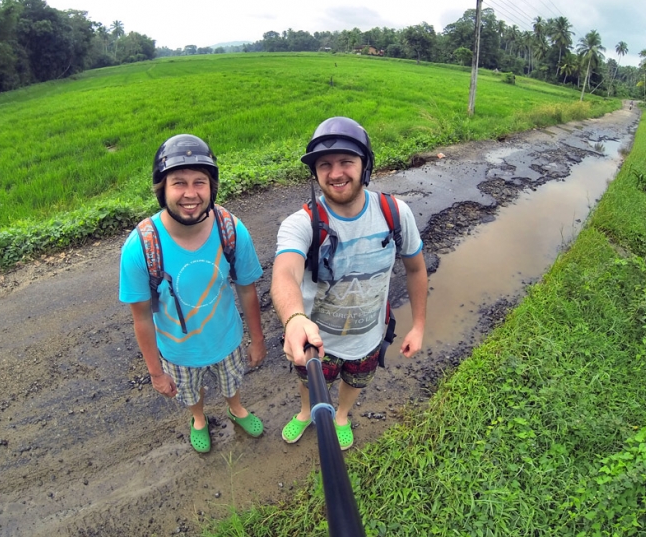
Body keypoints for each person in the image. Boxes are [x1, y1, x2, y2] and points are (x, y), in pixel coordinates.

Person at [271, 116, 428, 450]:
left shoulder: (395, 213)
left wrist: (418, 326)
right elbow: (285, 273)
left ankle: (341, 414)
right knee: (309, 382)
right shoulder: (302, 223)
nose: (336, 173)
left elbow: (415, 269)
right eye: (324, 165)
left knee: (356, 380)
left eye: (346, 161)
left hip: (370, 337)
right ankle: (305, 412)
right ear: (314, 173)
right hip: (317, 342)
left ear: (365, 165)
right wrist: (295, 318)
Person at [119, 134, 266, 453]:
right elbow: (141, 317)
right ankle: (198, 419)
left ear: (212, 187)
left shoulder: (231, 229)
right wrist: (156, 373)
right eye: (179, 183)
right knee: (189, 391)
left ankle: (236, 407)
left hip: (227, 339)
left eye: (199, 182)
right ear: (163, 189)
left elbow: (247, 289)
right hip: (177, 351)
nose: (190, 193)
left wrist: (257, 339)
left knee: (231, 381)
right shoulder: (141, 247)